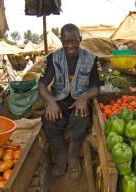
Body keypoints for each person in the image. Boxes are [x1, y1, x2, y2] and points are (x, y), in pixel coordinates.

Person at [39, 23, 100, 179]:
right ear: (62, 41)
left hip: (79, 99)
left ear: (80, 39)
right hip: (59, 99)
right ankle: (60, 156)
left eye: (74, 41)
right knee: (49, 120)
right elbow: (42, 85)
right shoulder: (54, 58)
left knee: (81, 118)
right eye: (67, 41)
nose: (71, 45)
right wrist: (51, 102)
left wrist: (84, 98)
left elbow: (95, 87)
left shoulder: (90, 58)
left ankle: (73, 157)